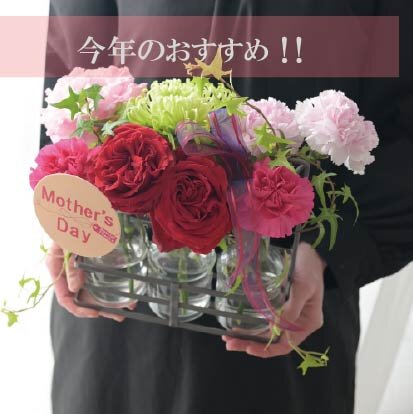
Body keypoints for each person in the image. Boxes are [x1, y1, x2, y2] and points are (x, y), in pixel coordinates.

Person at [43, 1, 413, 413]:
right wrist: (69, 206)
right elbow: (73, 71)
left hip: (281, 298)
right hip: (117, 294)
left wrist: (331, 247)